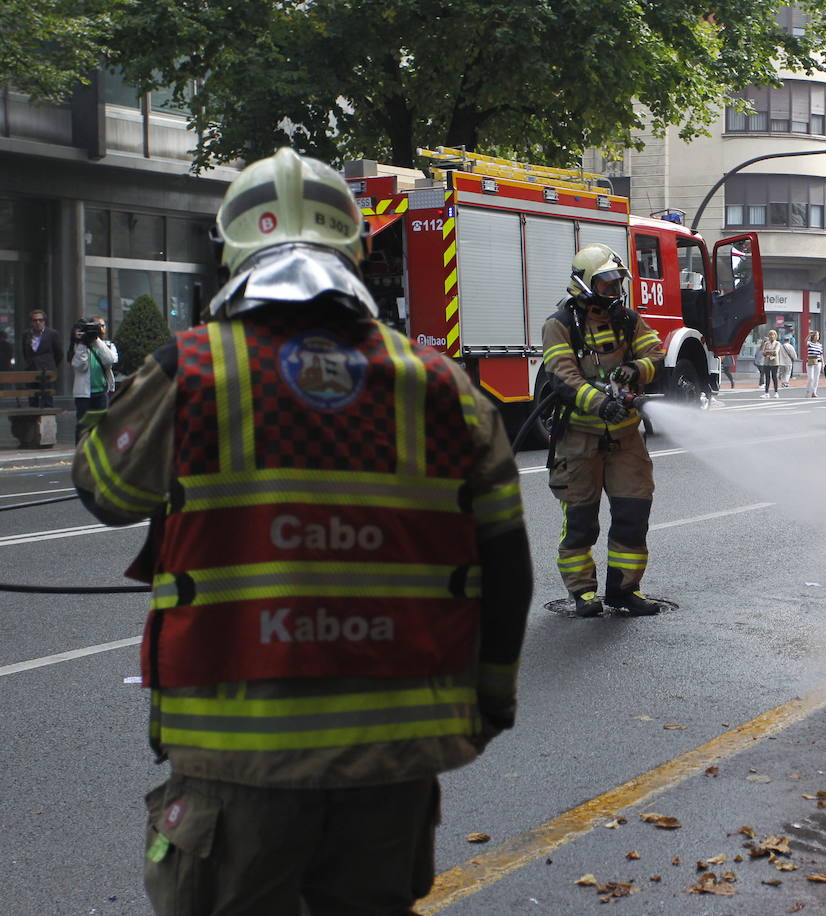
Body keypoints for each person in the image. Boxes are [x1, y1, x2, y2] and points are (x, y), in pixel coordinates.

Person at [71, 148, 533, 916]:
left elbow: (104, 491)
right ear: (357, 250)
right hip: (392, 761)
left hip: (236, 764)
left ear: (233, 252)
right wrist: (490, 702)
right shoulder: (441, 384)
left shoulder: (192, 371)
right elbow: (507, 564)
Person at [543, 243, 666, 618]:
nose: (614, 291)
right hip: (579, 441)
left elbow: (656, 354)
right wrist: (602, 404)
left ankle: (624, 591)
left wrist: (635, 370)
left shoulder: (627, 319)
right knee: (580, 522)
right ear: (584, 284)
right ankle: (582, 592)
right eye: (607, 284)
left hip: (625, 439)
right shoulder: (559, 324)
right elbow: (563, 378)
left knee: (633, 514)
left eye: (617, 283)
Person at [70, 316, 117, 426]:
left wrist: (96, 340)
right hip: (84, 395)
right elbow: (81, 366)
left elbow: (109, 361)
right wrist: (82, 343)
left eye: (102, 326)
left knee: (102, 426)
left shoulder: (108, 345)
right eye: (97, 326)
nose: (100, 328)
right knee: (83, 426)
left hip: (101, 392)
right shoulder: (79, 346)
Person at [22, 309, 63, 406]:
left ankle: (48, 420)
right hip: (32, 371)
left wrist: (51, 365)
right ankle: (33, 420)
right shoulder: (26, 334)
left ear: (44, 321)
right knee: (32, 400)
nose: (38, 322)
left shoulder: (52, 334)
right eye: (35, 320)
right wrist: (30, 363)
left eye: (40, 320)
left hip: (47, 371)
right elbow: (24, 352)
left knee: (47, 400)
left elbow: (59, 353)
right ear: (31, 322)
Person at [758, 329, 781, 398]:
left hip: (774, 362)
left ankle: (776, 392)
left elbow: (775, 352)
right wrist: (768, 352)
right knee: (767, 377)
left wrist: (768, 352)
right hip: (767, 362)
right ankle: (766, 392)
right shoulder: (766, 343)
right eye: (770, 335)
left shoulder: (777, 343)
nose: (771, 336)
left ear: (775, 336)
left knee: (774, 377)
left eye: (773, 334)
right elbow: (762, 352)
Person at [805, 330, 824, 398]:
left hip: (818, 362)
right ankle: (808, 390)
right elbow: (805, 342)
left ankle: (814, 392)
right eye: (816, 335)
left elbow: (821, 354)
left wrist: (823, 364)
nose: (817, 337)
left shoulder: (819, 345)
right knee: (811, 378)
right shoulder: (809, 343)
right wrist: (809, 335)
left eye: (818, 335)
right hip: (810, 361)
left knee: (816, 378)